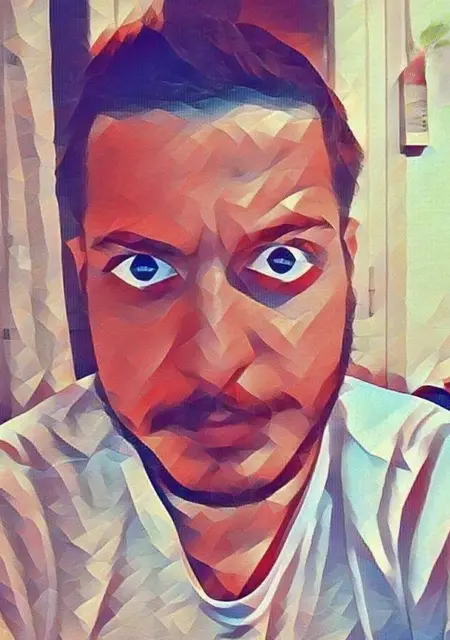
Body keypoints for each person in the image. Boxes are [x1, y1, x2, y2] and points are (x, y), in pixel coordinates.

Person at [0, 18, 449, 640]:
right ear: (83, 282)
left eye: (282, 261)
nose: (216, 359)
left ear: (347, 265)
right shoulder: (19, 511)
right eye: (142, 269)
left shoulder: (428, 489)